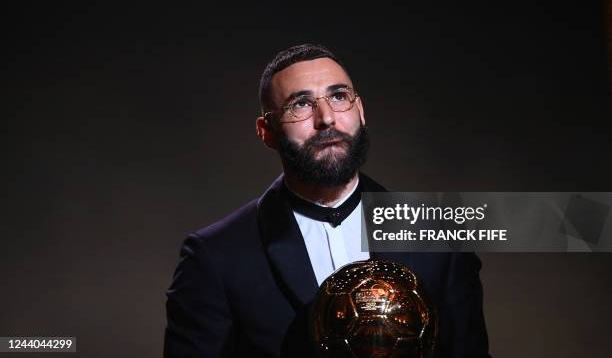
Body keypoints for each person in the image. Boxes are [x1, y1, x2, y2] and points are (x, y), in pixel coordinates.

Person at [163, 44, 490, 357]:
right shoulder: (215, 257)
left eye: (338, 96)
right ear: (267, 132)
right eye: (300, 104)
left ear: (360, 111)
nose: (327, 118)